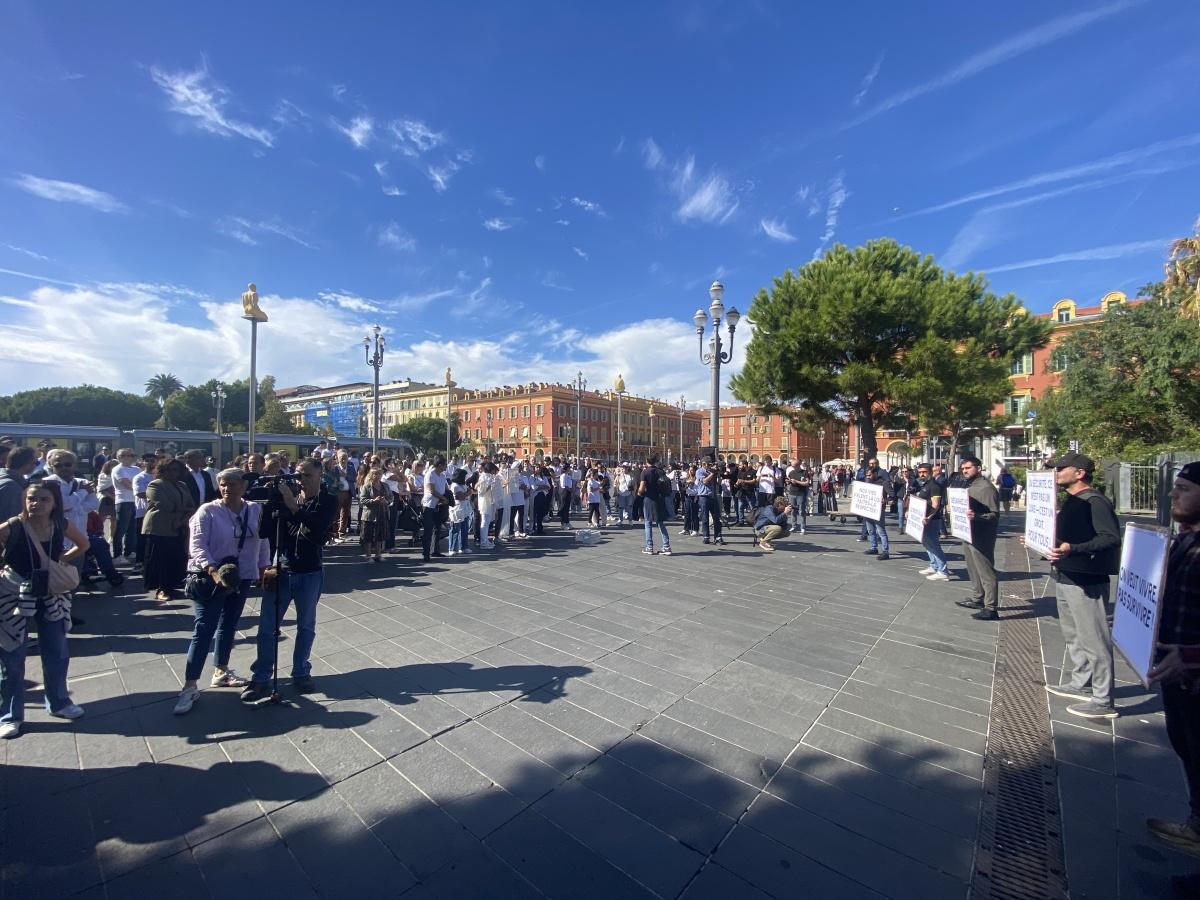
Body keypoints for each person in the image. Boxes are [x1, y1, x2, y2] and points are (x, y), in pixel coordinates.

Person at [1027, 451, 1121, 719]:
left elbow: (1110, 538)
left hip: (1086, 579)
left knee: (1094, 638)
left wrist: (1073, 548)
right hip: (1067, 574)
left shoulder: (1094, 501)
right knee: (1074, 635)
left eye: (1061, 468)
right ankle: (1081, 683)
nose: (1056, 473)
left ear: (1079, 473)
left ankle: (1103, 699)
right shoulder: (1072, 501)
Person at [173, 469, 270, 715]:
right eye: (223, 485)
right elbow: (196, 545)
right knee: (204, 628)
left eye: (232, 484)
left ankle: (221, 670)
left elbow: (263, 539)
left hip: (243, 574)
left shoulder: (255, 510)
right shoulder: (208, 511)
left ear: (243, 487)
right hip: (211, 578)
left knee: (229, 625)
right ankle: (190, 684)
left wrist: (263, 567)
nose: (227, 489)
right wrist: (214, 572)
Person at [242, 458, 338, 702]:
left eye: (306, 475)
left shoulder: (327, 500)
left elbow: (317, 528)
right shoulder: (289, 498)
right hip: (282, 569)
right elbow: (264, 533)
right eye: (298, 474)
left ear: (319, 476)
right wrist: (273, 505)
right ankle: (261, 676)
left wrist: (292, 507)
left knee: (306, 626)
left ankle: (301, 671)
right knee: (266, 628)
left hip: (310, 570)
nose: (301, 479)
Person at [0, 483, 90, 738]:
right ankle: (10, 715)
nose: (36, 503)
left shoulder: (59, 524)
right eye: (31, 498)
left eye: (43, 499)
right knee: (11, 657)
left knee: (56, 651)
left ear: (54, 503)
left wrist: (59, 561)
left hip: (52, 595)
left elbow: (82, 544)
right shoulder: (13, 525)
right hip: (14, 596)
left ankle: (59, 702)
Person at [1145, 463, 1200, 877]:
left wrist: (1191, 655)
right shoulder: (1184, 541)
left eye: (1182, 488)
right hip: (1175, 671)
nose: (1173, 494)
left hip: (1191, 669)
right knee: (1186, 748)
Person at [141, 458, 197, 602]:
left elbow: (191, 504)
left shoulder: (182, 485)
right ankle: (161, 589)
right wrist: (184, 510)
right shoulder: (155, 484)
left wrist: (184, 517)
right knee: (160, 559)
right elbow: (163, 504)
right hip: (159, 527)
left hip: (179, 526)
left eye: (177, 470)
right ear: (163, 470)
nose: (174, 473)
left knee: (176, 557)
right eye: (171, 470)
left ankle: (172, 586)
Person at [954, 456, 1001, 620]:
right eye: (963, 468)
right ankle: (977, 598)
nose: (965, 471)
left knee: (986, 571)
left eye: (968, 468)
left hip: (982, 535)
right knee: (973, 569)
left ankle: (991, 607)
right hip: (968, 533)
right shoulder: (970, 485)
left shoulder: (986, 487)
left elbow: (994, 515)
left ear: (979, 468)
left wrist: (977, 516)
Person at [912, 463, 950, 581]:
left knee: (934, 545)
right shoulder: (925, 484)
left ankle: (943, 571)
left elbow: (936, 505)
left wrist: (929, 517)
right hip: (922, 518)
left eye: (924, 472)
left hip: (931, 520)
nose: (922, 474)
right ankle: (934, 566)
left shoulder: (934, 486)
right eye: (920, 472)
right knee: (927, 543)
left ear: (930, 472)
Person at [110, 449, 141, 564]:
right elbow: (127, 485)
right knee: (121, 529)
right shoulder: (118, 469)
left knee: (132, 529)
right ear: (120, 457)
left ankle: (129, 551)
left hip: (135, 501)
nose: (130, 457)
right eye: (127, 455)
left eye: (132, 455)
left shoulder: (137, 469)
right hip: (123, 501)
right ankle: (117, 555)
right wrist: (139, 486)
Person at [860, 457, 894, 560]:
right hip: (868, 509)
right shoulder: (867, 482)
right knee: (870, 530)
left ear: (875, 474)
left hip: (879, 510)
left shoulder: (883, 482)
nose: (868, 477)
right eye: (867, 475)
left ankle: (885, 551)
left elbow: (892, 495)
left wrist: (886, 500)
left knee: (881, 531)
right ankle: (873, 547)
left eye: (870, 475)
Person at [638, 456, 672, 556]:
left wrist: (639, 494)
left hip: (649, 499)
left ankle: (649, 547)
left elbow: (642, 487)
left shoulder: (645, 472)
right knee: (660, 523)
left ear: (647, 461)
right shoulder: (661, 471)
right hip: (659, 499)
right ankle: (666, 546)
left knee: (648, 523)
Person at [421, 456, 451, 561]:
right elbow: (431, 490)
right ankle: (426, 553)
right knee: (428, 530)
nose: (446, 467)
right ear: (439, 465)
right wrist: (443, 498)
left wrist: (447, 498)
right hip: (429, 505)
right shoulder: (430, 474)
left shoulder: (442, 475)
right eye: (444, 465)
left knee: (437, 529)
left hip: (440, 505)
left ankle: (435, 550)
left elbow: (445, 488)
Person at [358, 467, 390, 562]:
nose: (377, 476)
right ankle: (368, 555)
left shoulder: (385, 486)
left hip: (382, 513)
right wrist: (373, 501)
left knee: (380, 535)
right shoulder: (366, 486)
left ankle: (378, 555)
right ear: (371, 476)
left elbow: (391, 497)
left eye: (379, 474)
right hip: (369, 515)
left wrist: (386, 501)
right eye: (375, 474)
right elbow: (362, 500)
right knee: (368, 535)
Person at [0, 447, 38, 522]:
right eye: (35, 463)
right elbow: (10, 520)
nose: (35, 466)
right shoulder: (11, 487)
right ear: (27, 463)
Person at [694, 456, 724, 546]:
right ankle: (706, 536)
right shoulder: (699, 471)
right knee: (705, 518)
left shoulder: (712, 471)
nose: (710, 466)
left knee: (716, 518)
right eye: (709, 464)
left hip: (713, 496)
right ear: (704, 464)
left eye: (711, 464)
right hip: (704, 496)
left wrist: (718, 474)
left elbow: (719, 483)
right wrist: (712, 473)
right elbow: (705, 481)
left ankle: (718, 537)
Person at [447, 469, 473, 556]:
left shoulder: (463, 485)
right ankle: (452, 548)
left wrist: (467, 493)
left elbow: (468, 492)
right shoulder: (454, 485)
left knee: (465, 529)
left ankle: (463, 547)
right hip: (457, 509)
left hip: (465, 508)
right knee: (455, 529)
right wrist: (468, 493)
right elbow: (461, 496)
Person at [785, 462, 810, 535]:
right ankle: (793, 526)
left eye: (794, 466)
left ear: (798, 465)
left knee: (802, 511)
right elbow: (788, 481)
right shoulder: (791, 472)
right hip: (792, 493)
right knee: (792, 510)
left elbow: (806, 483)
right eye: (792, 466)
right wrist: (788, 481)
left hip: (801, 494)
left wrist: (796, 481)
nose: (793, 467)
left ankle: (803, 527)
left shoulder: (804, 472)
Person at [557, 465, 574, 529]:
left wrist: (571, 490)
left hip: (568, 492)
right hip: (564, 492)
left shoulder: (568, 476)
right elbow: (564, 485)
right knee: (563, 507)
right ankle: (563, 523)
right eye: (569, 468)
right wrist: (570, 490)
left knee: (567, 508)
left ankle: (567, 522)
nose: (570, 469)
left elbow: (570, 484)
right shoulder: (563, 476)